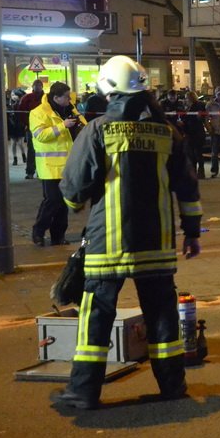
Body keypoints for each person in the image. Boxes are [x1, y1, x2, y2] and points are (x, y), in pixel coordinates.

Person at [55, 55, 202, 410]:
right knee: (162, 317)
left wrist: (75, 203)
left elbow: (74, 190)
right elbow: (188, 189)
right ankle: (172, 387)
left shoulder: (98, 130)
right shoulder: (168, 132)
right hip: (158, 246)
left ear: (108, 90)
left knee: (97, 319)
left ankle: (83, 391)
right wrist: (192, 233)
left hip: (109, 245)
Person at [29, 82, 85, 246]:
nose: (70, 99)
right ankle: (38, 232)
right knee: (52, 200)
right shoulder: (38, 113)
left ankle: (58, 236)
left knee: (63, 204)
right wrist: (63, 126)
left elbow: (85, 125)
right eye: (67, 97)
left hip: (68, 165)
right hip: (50, 165)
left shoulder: (70, 110)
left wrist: (79, 123)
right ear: (56, 98)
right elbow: (41, 135)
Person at [17, 79, 45, 179]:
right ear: (33, 86)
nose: (37, 87)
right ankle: (30, 171)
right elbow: (21, 112)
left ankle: (41, 171)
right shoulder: (27, 98)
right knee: (32, 150)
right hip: (32, 128)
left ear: (42, 86)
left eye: (39, 85)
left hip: (44, 128)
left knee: (42, 150)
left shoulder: (46, 98)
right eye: (36, 85)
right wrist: (27, 124)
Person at [181, 90, 207, 179]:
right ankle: (193, 172)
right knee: (191, 154)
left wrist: (200, 116)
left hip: (197, 132)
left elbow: (202, 115)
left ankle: (201, 172)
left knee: (197, 153)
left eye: (186, 98)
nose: (185, 100)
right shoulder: (186, 106)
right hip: (189, 132)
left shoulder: (198, 105)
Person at [6, 90, 28, 166]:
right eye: (12, 95)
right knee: (13, 143)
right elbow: (7, 112)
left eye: (14, 94)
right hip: (12, 125)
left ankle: (23, 155)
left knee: (20, 143)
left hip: (20, 125)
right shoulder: (8, 103)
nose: (13, 96)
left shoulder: (21, 103)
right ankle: (15, 158)